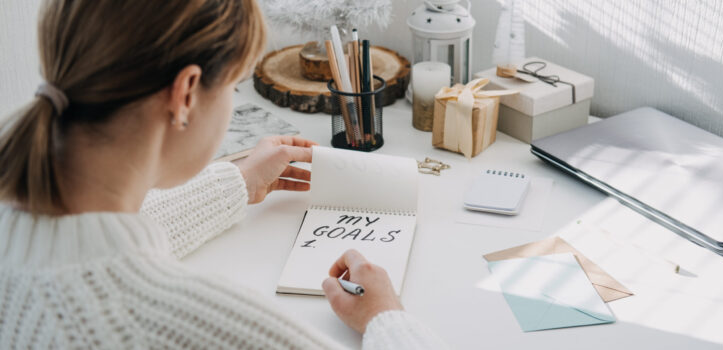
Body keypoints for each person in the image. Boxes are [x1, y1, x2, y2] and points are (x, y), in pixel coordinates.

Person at [0, 0, 448, 349]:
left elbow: (94, 245)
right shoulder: (184, 323)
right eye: (233, 85)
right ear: (187, 93)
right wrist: (386, 317)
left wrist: (237, 183)